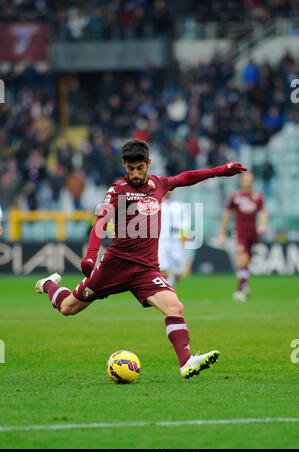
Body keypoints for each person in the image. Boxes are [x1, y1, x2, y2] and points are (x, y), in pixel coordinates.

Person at [35, 139, 246, 379]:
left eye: (140, 168)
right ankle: (47, 284)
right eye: (130, 168)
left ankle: (186, 362)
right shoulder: (117, 190)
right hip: (114, 266)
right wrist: (91, 256)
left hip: (146, 270)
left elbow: (186, 177)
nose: (135, 174)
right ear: (124, 165)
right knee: (68, 308)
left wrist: (220, 171)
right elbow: (101, 222)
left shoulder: (158, 184)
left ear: (148, 163)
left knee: (175, 307)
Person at [219, 172, 267, 301]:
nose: (247, 182)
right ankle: (244, 285)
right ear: (241, 181)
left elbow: (263, 213)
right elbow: (227, 214)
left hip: (253, 233)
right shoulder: (235, 197)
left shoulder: (258, 197)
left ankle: (241, 287)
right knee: (243, 258)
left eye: (249, 180)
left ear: (253, 182)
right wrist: (222, 232)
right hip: (240, 232)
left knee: (247, 262)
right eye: (245, 180)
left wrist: (262, 225)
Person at [158, 191, 190, 287]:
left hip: (176, 241)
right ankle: (168, 296)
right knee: (163, 270)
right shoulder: (156, 204)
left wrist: (184, 241)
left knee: (177, 274)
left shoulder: (179, 205)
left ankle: (170, 290)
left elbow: (185, 224)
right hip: (161, 241)